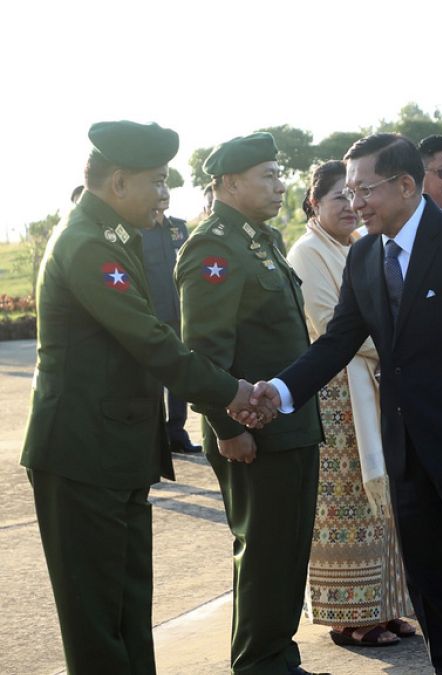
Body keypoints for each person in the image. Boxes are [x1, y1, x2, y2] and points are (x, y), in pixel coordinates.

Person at [251, 133, 442, 675]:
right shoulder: (363, 255)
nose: (355, 202)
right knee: (430, 578)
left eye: (365, 189)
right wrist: (279, 392)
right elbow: (337, 342)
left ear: (405, 185)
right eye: (350, 191)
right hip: (405, 449)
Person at [21, 120, 257, 675]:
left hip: (111, 450)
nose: (165, 195)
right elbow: (150, 341)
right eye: (156, 181)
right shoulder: (85, 244)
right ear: (119, 181)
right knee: (98, 617)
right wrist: (232, 392)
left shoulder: (108, 237)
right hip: (82, 453)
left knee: (127, 605)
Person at [176, 132, 326, 675]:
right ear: (230, 183)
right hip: (253, 433)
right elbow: (204, 353)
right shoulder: (214, 247)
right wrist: (225, 426)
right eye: (268, 175)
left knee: (286, 551)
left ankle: (278, 657)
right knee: (264, 551)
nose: (279, 185)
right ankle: (260, 665)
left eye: (277, 174)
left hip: (289, 424)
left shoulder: (259, 240)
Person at [287, 160, 416, 648]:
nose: (350, 205)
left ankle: (386, 606)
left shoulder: (363, 248)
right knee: (344, 505)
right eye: (338, 196)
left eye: (357, 194)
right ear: (315, 203)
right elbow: (329, 324)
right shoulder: (306, 253)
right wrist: (400, 345)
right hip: (337, 396)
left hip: (377, 383)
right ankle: (349, 615)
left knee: (383, 500)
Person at [143, 192, 201, 453]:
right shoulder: (138, 230)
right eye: (157, 187)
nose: (163, 194)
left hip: (180, 313)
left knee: (180, 374)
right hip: (152, 315)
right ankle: (155, 436)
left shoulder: (178, 227)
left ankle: (176, 432)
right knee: (153, 378)